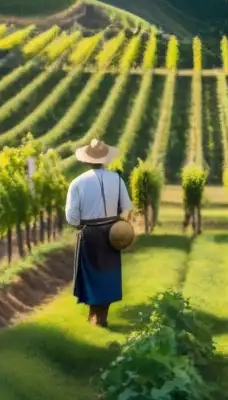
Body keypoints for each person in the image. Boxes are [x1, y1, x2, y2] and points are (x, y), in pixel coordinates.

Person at [65, 138, 133, 327]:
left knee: (92, 274)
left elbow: (71, 216)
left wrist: (81, 225)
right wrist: (121, 225)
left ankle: (95, 315)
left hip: (90, 233)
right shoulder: (117, 179)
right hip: (113, 232)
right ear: (105, 159)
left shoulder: (77, 183)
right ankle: (100, 315)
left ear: (87, 160)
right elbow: (127, 207)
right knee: (108, 274)